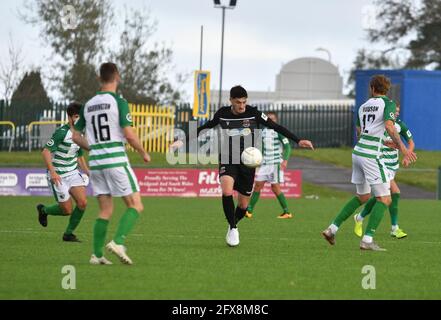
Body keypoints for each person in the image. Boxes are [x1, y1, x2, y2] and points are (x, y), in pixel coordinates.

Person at [171, 86, 314, 247]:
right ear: (231, 100)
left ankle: (233, 222)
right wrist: (182, 140)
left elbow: (276, 127)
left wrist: (298, 140)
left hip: (248, 162)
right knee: (226, 191)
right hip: (228, 158)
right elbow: (205, 128)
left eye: (244, 102)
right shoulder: (223, 114)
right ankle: (233, 228)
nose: (242, 106)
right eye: (238, 102)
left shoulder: (254, 113)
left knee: (243, 206)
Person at [321, 75, 417, 251]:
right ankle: (367, 239)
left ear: (372, 88)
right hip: (372, 155)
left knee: (363, 196)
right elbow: (389, 126)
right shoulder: (388, 104)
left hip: (358, 153)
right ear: (386, 89)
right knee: (385, 199)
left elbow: (359, 132)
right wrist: (403, 149)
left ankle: (331, 229)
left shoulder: (363, 106)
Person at [73, 62, 151, 265]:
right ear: (117, 76)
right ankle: (118, 242)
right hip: (116, 161)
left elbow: (75, 135)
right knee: (136, 205)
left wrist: (94, 148)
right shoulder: (119, 101)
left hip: (96, 164)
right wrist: (143, 152)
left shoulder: (88, 104)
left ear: (100, 78)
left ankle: (97, 255)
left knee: (105, 210)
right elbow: (129, 135)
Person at [354, 102, 415, 239]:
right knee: (395, 192)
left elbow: (411, 142)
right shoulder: (380, 125)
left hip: (392, 166)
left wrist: (407, 154)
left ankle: (360, 217)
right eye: (395, 111)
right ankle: (394, 228)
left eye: (398, 111)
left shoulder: (400, 125)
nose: (396, 113)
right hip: (379, 163)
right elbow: (369, 138)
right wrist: (387, 143)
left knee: (380, 197)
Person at [37, 102, 90, 242]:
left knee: (83, 203)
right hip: (58, 175)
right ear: (70, 117)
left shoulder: (79, 133)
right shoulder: (61, 132)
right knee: (67, 210)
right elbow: (46, 152)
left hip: (72, 173)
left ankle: (68, 234)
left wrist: (87, 171)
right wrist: (53, 172)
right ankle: (44, 210)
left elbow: (79, 155)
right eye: (77, 116)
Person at [246, 111, 293, 219]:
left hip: (275, 163)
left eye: (273, 119)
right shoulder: (262, 132)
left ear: (276, 120)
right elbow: (260, 148)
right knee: (258, 185)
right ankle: (249, 211)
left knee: (275, 187)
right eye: (269, 118)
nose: (271, 120)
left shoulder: (279, 131)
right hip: (265, 164)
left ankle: (287, 212)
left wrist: (285, 160)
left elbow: (288, 147)